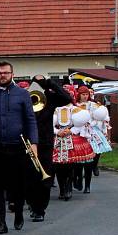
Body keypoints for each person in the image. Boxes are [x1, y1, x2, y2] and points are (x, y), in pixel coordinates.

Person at [0, 61, 38, 234]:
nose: (3, 75)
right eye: (0, 73)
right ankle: (1, 222)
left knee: (18, 185)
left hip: (17, 146)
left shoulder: (22, 94)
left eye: (6, 73)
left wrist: (34, 143)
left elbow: (30, 120)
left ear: (12, 74)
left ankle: (19, 215)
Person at [25, 75, 71, 221]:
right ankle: (32, 204)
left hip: (45, 141)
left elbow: (66, 98)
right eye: (36, 83)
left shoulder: (50, 97)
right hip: (28, 141)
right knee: (30, 176)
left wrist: (51, 83)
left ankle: (40, 210)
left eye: (41, 83)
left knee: (45, 177)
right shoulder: (26, 96)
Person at [52, 98, 95, 200]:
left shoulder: (76, 109)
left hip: (72, 139)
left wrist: (71, 131)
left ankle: (68, 188)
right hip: (57, 139)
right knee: (58, 166)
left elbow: (81, 125)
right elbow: (49, 124)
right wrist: (57, 131)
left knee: (70, 166)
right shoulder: (55, 109)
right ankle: (62, 189)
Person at [74, 85, 112, 191]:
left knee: (95, 151)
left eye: (87, 94)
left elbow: (101, 117)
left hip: (93, 131)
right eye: (83, 94)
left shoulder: (94, 105)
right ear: (79, 95)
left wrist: (99, 126)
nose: (85, 96)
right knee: (79, 158)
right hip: (79, 132)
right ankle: (78, 178)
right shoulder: (75, 105)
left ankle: (92, 170)